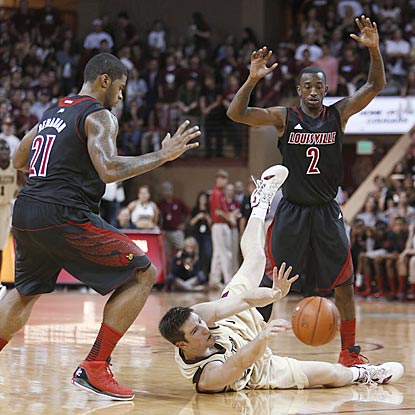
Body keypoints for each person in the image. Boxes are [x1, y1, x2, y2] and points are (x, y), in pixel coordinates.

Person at [0, 53, 201, 401]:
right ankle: (95, 365)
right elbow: (108, 169)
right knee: (143, 273)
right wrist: (162, 156)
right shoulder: (99, 115)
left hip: (27, 211)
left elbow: (19, 159)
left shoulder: (52, 112)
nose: (121, 97)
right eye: (120, 88)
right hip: (63, 213)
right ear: (105, 81)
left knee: (25, 290)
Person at [226, 15, 386, 366]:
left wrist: (374, 50)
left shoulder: (338, 114)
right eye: (307, 87)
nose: (313, 92)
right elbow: (236, 113)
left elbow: (374, 87)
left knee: (344, 284)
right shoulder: (284, 116)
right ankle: (254, 351)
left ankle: (348, 352)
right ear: (299, 90)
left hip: (327, 211)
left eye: (319, 87)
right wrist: (252, 79)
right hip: (293, 212)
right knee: (272, 283)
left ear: (326, 90)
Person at [159, 165, 404, 393]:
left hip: (233, 324)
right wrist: (262, 338)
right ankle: (363, 374)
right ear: (182, 344)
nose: (203, 327)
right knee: (329, 373)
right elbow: (239, 362)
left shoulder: (199, 314)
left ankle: (260, 202)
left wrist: (275, 294)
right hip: (258, 367)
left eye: (199, 322)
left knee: (255, 259)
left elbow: (242, 299)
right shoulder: (207, 378)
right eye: (195, 331)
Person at [0, 140, 21, 302]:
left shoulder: (14, 168)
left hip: (5, 208)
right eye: (0, 149)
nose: (4, 151)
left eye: (6, 148)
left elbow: (25, 184)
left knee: (0, 248)